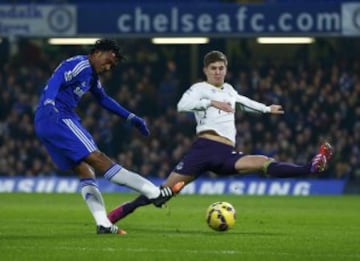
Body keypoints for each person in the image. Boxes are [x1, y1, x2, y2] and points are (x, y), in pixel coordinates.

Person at [107, 50, 334, 224]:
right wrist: (209, 102)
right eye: (213, 68)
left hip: (226, 154)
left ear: (226, 69)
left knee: (264, 162)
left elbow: (242, 101)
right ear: (206, 70)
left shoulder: (229, 90)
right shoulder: (199, 89)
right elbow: (181, 105)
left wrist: (266, 109)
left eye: (221, 68)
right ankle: (125, 210)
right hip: (204, 149)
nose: (218, 71)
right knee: (161, 195)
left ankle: (311, 168)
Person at [34, 39, 182, 235]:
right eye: (108, 60)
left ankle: (103, 224)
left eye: (112, 65)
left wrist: (130, 117)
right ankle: (154, 193)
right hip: (57, 116)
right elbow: (57, 78)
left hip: (45, 121)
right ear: (96, 52)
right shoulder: (80, 64)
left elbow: (103, 99)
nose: (108, 67)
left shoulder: (92, 76)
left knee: (85, 171)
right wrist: (50, 102)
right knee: (97, 158)